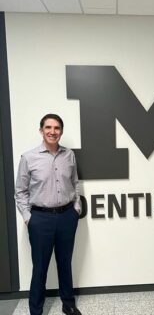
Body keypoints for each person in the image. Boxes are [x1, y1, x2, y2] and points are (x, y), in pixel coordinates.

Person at [15, 114, 82, 315]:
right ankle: (36, 310)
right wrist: (28, 218)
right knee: (40, 267)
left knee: (65, 263)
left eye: (57, 128)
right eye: (48, 127)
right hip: (40, 219)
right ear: (41, 130)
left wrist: (76, 208)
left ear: (61, 131)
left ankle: (68, 304)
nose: (53, 132)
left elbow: (75, 183)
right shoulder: (28, 158)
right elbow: (20, 191)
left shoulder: (69, 155)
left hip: (67, 217)